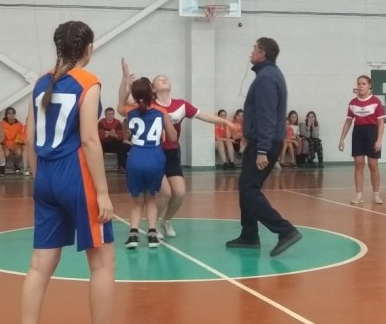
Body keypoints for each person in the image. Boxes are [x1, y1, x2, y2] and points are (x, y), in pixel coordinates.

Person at [21, 21, 120, 324]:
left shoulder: (41, 82)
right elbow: (90, 140)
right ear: (88, 49)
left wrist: (39, 178)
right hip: (76, 175)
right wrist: (102, 192)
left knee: (39, 266)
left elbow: (29, 138)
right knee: (102, 263)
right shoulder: (88, 82)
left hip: (45, 175)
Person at [123, 67, 234, 240]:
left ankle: (166, 220)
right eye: (159, 78)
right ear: (153, 89)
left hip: (172, 153)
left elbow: (204, 115)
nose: (164, 79)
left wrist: (225, 122)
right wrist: (126, 82)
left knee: (180, 192)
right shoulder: (150, 105)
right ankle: (153, 225)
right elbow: (127, 101)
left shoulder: (181, 105)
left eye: (166, 78)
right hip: (155, 154)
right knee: (166, 192)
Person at [226, 38, 302, 257]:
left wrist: (262, 150)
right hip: (260, 140)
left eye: (254, 49)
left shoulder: (266, 78)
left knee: (249, 190)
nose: (251, 52)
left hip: (264, 144)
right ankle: (249, 235)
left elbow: (267, 116)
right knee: (247, 187)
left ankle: (285, 230)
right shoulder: (268, 75)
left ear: (262, 54)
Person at [118, 74, 177, 249]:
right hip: (155, 157)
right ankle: (152, 235)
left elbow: (120, 104)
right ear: (152, 93)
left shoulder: (130, 111)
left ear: (135, 95)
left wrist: (127, 85)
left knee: (137, 202)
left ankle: (133, 235)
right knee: (151, 199)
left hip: (136, 156)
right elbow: (173, 138)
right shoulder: (161, 112)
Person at [338, 75, 385, 205]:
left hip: (372, 133)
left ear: (369, 85)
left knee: (372, 165)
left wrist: (379, 140)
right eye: (359, 84)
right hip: (358, 133)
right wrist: (342, 139)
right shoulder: (353, 103)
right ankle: (359, 195)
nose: (360, 86)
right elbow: (348, 121)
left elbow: (381, 123)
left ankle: (376, 194)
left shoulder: (376, 101)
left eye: (363, 83)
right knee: (358, 164)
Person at [98, 107, 129, 173]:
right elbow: (100, 136)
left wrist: (113, 135)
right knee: (97, 146)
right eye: (108, 114)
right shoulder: (101, 122)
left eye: (112, 114)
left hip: (114, 143)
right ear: (105, 115)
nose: (110, 116)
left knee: (124, 146)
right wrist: (110, 133)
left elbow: (120, 137)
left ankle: (121, 167)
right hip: (104, 144)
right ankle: (99, 167)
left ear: (114, 114)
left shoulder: (117, 123)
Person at [1, 107, 25, 174]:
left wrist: (15, 144)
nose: (11, 115)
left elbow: (20, 136)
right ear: (6, 115)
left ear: (15, 114)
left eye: (12, 113)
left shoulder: (19, 124)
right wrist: (5, 144)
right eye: (9, 113)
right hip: (5, 143)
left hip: (15, 143)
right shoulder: (1, 124)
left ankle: (16, 164)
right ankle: (2, 166)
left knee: (19, 152)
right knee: (6, 154)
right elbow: (0, 136)